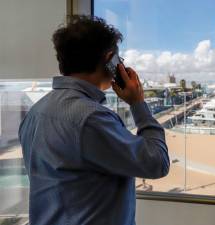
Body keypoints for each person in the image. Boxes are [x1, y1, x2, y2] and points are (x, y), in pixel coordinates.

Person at [18, 15, 170, 225]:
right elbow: (157, 163)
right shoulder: (91, 118)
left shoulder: (35, 113)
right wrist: (138, 104)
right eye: (119, 61)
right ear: (109, 61)